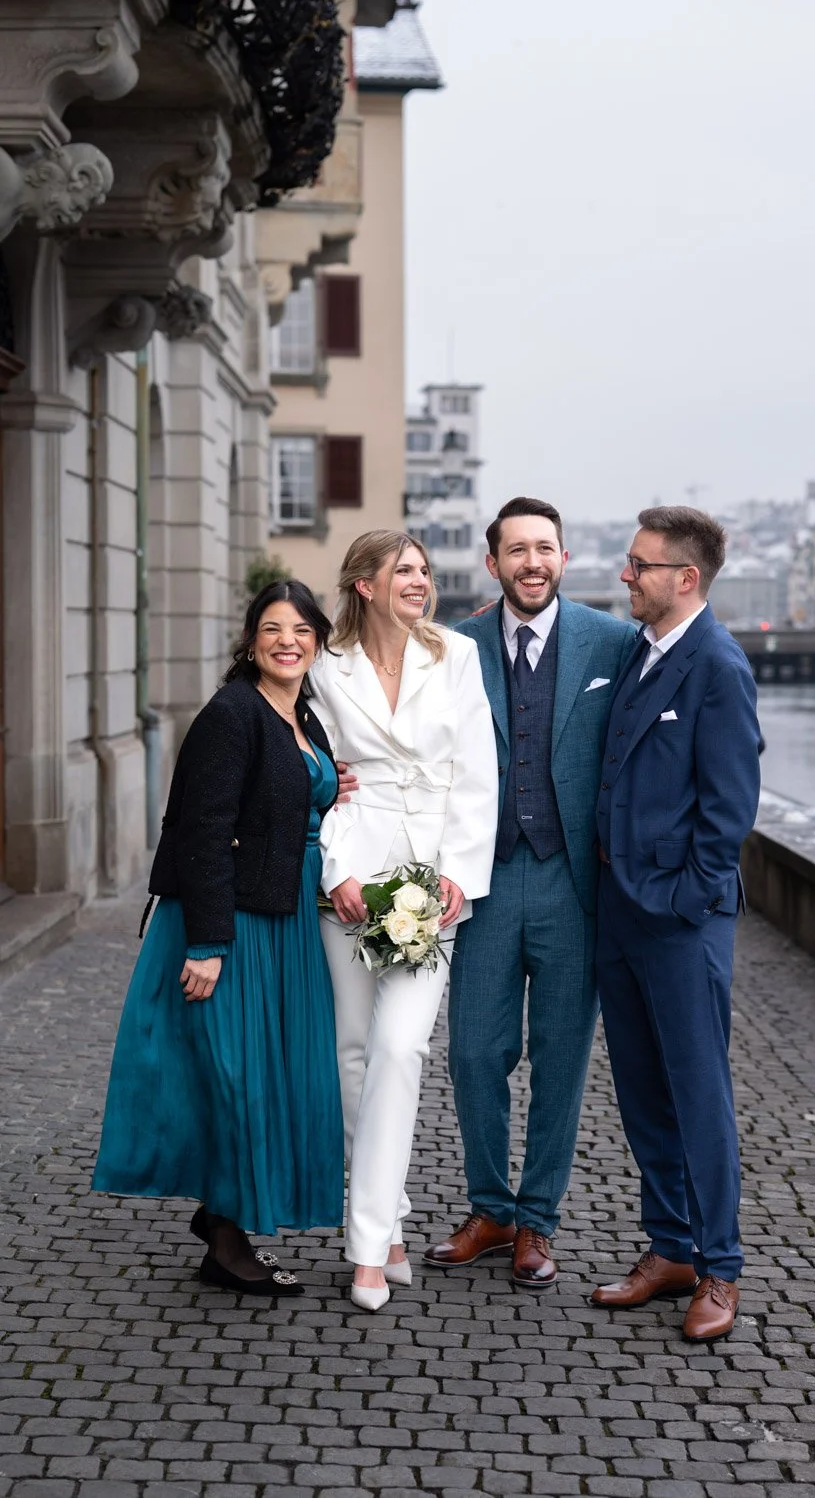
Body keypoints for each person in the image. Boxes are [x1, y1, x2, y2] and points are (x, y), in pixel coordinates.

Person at [93, 581, 345, 1296]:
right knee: (234, 1077)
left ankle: (226, 1219)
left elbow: (291, 797)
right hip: (229, 923)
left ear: (318, 639)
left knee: (266, 1073)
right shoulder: (231, 714)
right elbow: (203, 829)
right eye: (271, 628)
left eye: (300, 628)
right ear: (250, 639)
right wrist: (207, 944)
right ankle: (227, 1238)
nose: (286, 640)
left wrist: (330, 787)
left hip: (284, 914)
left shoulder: (302, 714)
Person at [425, 497, 635, 1289]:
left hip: (573, 884)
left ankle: (537, 1222)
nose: (532, 562)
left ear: (564, 557)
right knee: (475, 1053)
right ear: (493, 564)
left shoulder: (612, 642)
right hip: (481, 880)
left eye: (545, 548)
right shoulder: (454, 647)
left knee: (560, 1061)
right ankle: (490, 1208)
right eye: (517, 551)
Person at [309, 530, 498, 1312]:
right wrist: (335, 869)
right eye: (405, 571)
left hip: (428, 882)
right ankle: (385, 1226)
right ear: (364, 585)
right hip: (352, 875)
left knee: (398, 1047)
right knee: (354, 1056)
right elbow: (315, 776)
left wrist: (457, 873)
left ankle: (364, 1252)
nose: (421, 581)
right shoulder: (325, 667)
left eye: (423, 570)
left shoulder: (454, 657)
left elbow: (477, 773)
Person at [590, 506, 762, 1342]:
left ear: (684, 578)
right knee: (642, 1093)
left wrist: (682, 902)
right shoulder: (640, 653)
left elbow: (729, 813)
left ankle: (720, 1270)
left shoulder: (718, 667)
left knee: (700, 1096)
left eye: (639, 565)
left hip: (679, 921)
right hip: (618, 917)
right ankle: (671, 1249)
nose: (627, 576)